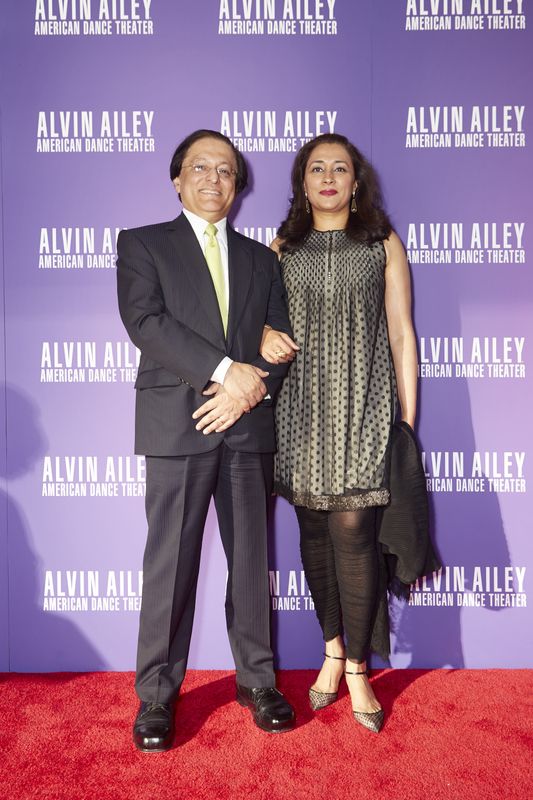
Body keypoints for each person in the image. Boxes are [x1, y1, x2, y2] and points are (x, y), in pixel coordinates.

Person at [117, 129, 296, 752]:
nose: (214, 179)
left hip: (246, 428)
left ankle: (258, 681)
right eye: (201, 168)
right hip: (178, 424)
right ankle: (158, 697)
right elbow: (146, 322)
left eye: (226, 170)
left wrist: (251, 385)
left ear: (238, 186)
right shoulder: (142, 245)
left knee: (251, 561)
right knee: (169, 565)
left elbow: (280, 340)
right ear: (177, 179)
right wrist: (227, 373)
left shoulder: (260, 258)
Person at [262, 133, 418, 734]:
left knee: (354, 532)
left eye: (340, 168)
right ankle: (329, 651)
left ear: (356, 183)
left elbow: (402, 332)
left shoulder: (380, 241)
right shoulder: (281, 247)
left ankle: (357, 666)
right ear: (303, 183)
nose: (328, 176)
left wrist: (407, 418)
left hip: (366, 405)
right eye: (316, 168)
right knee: (312, 533)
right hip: (299, 409)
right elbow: (252, 327)